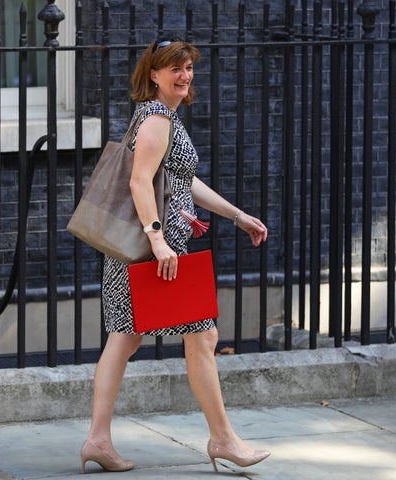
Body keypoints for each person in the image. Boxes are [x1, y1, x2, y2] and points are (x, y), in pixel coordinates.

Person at [80, 37, 271, 474]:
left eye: (188, 68)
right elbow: (138, 181)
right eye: (175, 69)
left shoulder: (163, 118)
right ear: (154, 75)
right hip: (157, 253)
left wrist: (237, 214)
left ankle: (98, 440)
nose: (184, 76)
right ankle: (223, 439)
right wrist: (158, 237)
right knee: (200, 336)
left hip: (155, 251)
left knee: (126, 339)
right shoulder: (156, 119)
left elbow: (184, 183)